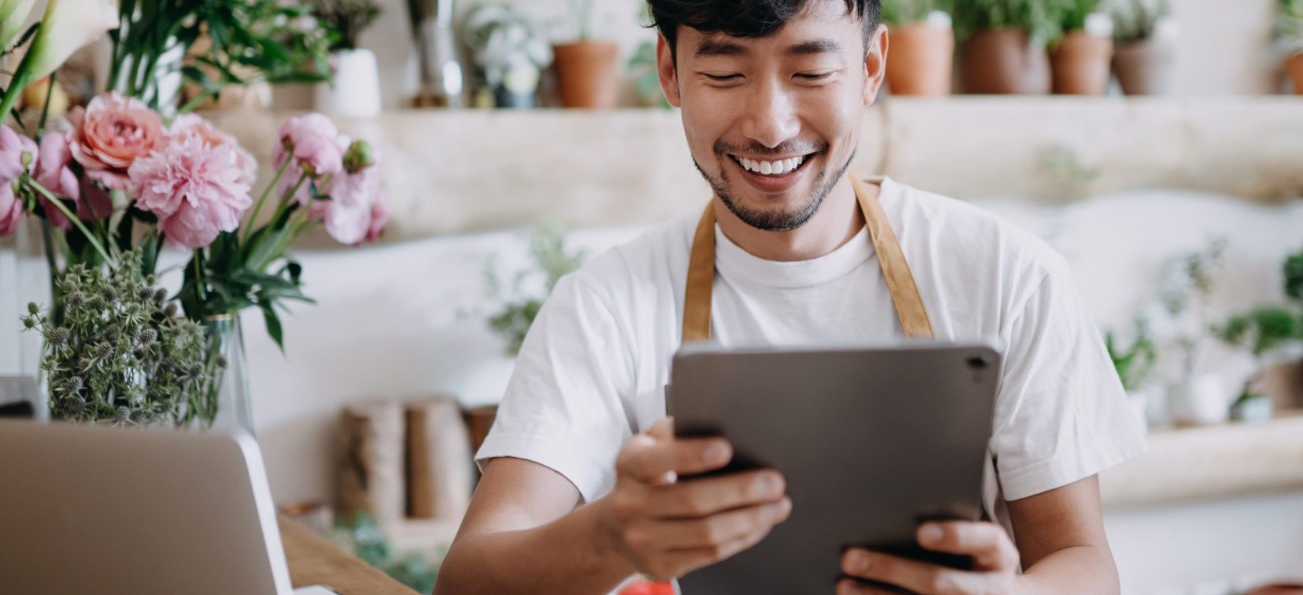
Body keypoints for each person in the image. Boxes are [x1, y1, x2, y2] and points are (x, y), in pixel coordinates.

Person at [434, 1, 1147, 593]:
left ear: (870, 67)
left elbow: (1085, 564)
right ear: (668, 72)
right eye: (722, 72)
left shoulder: (1008, 274)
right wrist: (612, 534)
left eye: (810, 70)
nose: (769, 125)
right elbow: (466, 578)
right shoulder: (603, 305)